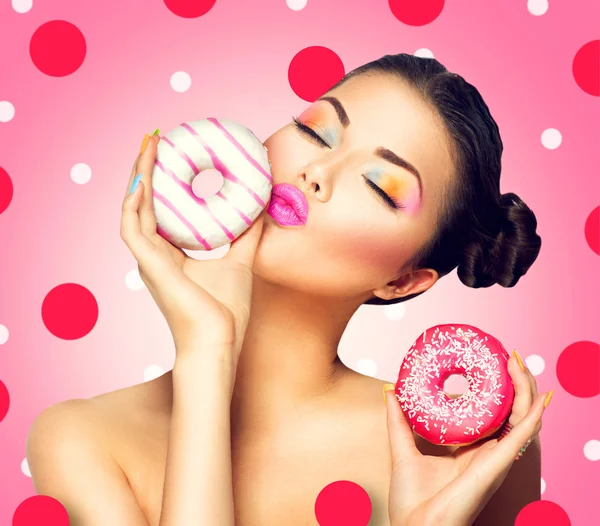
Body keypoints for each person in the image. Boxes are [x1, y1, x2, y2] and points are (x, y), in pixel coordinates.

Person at [26, 53, 547, 525]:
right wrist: (208, 354)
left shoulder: (454, 453)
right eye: (314, 131)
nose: (315, 172)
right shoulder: (81, 438)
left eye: (380, 186)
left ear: (402, 280)